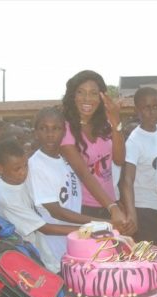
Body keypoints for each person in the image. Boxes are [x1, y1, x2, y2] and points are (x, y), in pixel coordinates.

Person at [60, 70, 129, 232]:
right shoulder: (65, 129)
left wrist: (115, 122)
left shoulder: (104, 125)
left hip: (109, 206)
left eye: (93, 93)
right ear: (72, 96)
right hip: (83, 208)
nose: (87, 99)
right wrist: (113, 208)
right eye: (80, 92)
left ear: (101, 97)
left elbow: (119, 160)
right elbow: (83, 173)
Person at [0, 139, 76, 272]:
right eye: (17, 169)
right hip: (29, 257)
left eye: (25, 165)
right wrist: (84, 230)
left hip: (44, 249)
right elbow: (45, 228)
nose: (23, 172)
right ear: (0, 168)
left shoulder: (20, 178)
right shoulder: (7, 198)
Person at [27, 106, 98, 262]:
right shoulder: (36, 165)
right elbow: (56, 212)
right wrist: (100, 224)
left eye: (56, 128)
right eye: (43, 128)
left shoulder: (65, 159)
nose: (50, 134)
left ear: (64, 132)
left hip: (72, 243)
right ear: (35, 132)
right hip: (53, 250)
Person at [121, 87, 157, 244]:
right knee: (149, 256)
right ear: (137, 110)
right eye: (146, 108)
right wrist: (132, 214)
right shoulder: (134, 141)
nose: (152, 112)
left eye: (156, 107)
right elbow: (127, 181)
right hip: (144, 209)